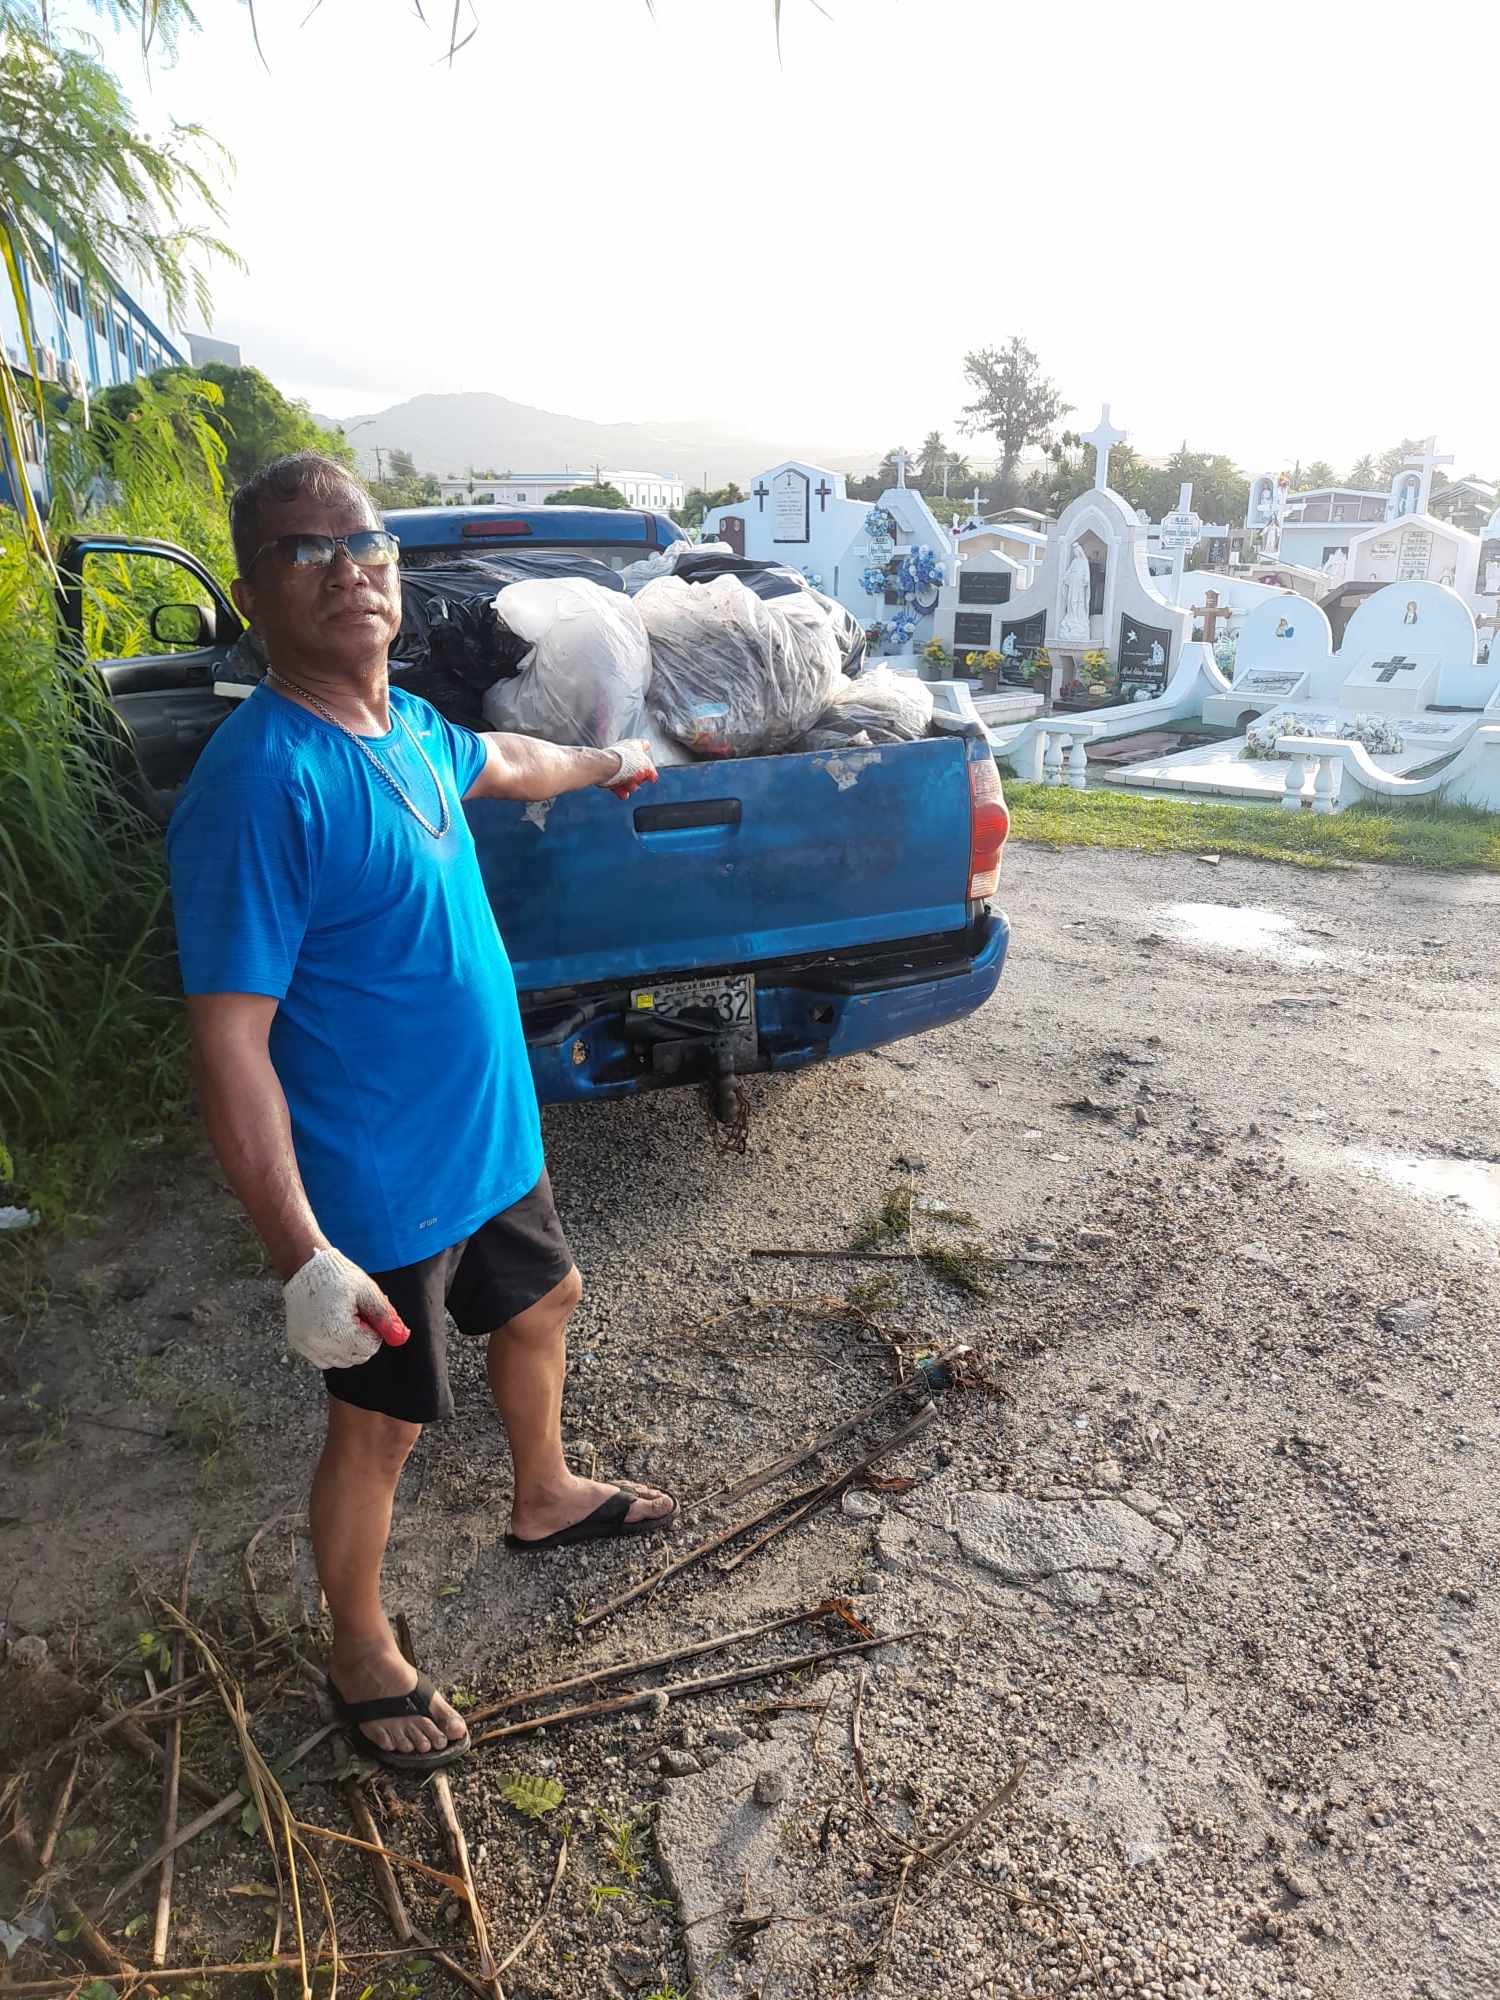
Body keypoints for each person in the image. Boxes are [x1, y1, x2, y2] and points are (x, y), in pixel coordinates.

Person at [166, 453, 674, 1773]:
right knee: (380, 1424)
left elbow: (505, 759)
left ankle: (544, 1491)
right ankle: (356, 1645)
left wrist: (612, 757)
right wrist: (301, 1255)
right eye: (307, 552)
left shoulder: (411, 733)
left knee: (543, 1300)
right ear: (251, 594)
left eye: (366, 542)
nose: (351, 568)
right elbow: (229, 1040)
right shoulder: (259, 780)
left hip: (489, 1135)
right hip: (379, 1184)